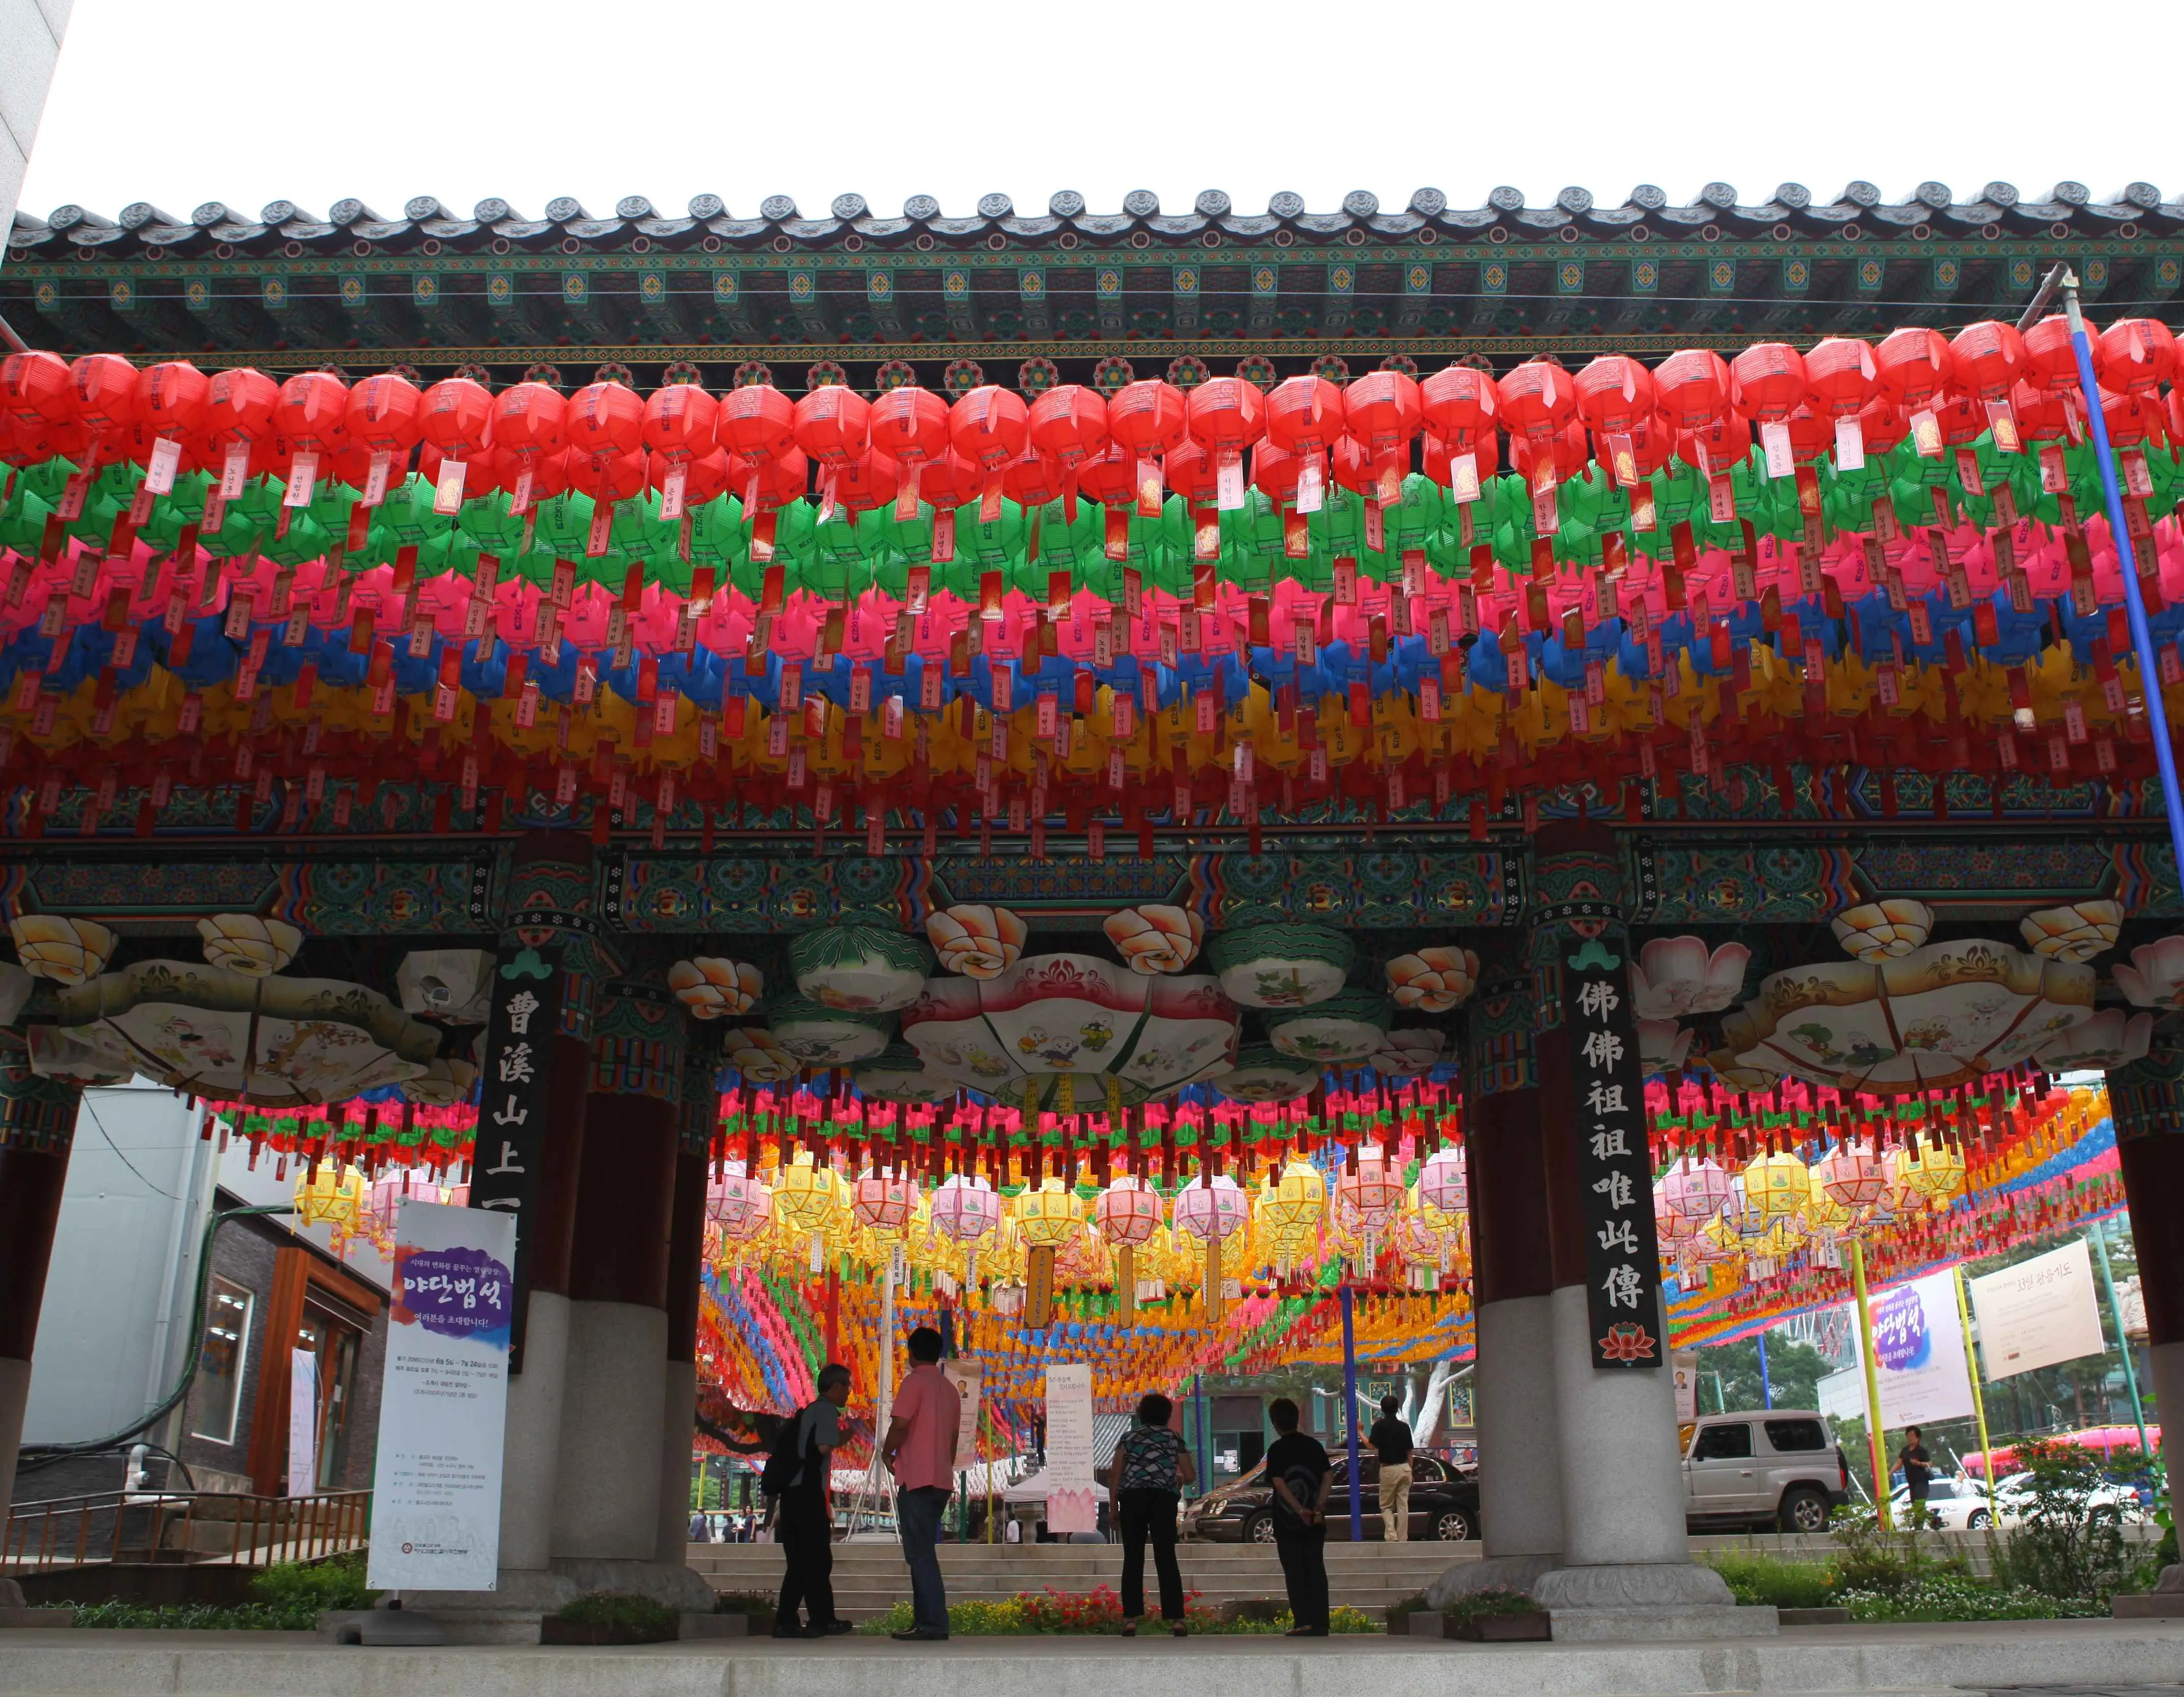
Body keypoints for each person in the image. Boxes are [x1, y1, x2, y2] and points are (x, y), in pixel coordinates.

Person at [880, 1325, 960, 1642]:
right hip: (940, 1477)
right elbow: (954, 1439)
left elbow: (900, 1423)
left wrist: (888, 1452)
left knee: (920, 1553)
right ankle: (925, 1621)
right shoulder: (950, 1389)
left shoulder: (913, 1383)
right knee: (922, 1550)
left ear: (911, 1354)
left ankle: (933, 1623)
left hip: (917, 1477)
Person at [1102, 1392, 1198, 1636]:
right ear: (1167, 1415)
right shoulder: (1174, 1438)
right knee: (1166, 1557)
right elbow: (1189, 1475)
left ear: (1141, 1414)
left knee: (1133, 1558)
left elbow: (1116, 1475)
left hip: (1132, 1499)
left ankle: (1131, 1619)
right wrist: (1173, 1480)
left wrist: (1114, 1508)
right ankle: (1177, 1619)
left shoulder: (1129, 1438)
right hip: (1163, 1500)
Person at [770, 1362, 853, 1639]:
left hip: (791, 1496)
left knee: (800, 1561)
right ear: (837, 1387)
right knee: (817, 1559)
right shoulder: (826, 1410)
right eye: (847, 1386)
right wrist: (846, 1436)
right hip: (807, 1494)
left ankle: (787, 1619)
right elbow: (824, 1446)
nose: (850, 1392)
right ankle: (821, 1619)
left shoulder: (807, 1412)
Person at [1263, 1397, 1331, 1636]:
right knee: (1315, 1568)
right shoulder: (1314, 1446)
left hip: (1287, 1520)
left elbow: (1279, 1483)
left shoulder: (1277, 1450)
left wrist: (1297, 1508)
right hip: (1316, 1519)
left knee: (1294, 1570)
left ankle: (1303, 1621)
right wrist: (1319, 1505)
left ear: (1275, 1423)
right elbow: (1328, 1476)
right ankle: (1321, 1622)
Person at [1368, 1393, 1414, 1542]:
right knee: (1403, 1506)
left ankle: (1392, 1536)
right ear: (1397, 1408)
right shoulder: (1405, 1427)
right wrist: (1411, 1471)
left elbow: (1370, 1446)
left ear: (1382, 1409)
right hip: (1405, 1469)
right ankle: (1403, 1538)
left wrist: (1360, 1432)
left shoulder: (1379, 1426)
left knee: (1386, 1506)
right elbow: (1409, 1452)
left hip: (1388, 1469)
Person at [1897, 1426, 1935, 1526]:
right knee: (1915, 1505)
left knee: (1919, 1504)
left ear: (1918, 1438)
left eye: (1912, 1435)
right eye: (1908, 1435)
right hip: (1912, 1482)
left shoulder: (1921, 1450)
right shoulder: (1905, 1450)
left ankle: (1919, 1527)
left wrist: (1918, 1463)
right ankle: (1934, 1519)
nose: (1909, 1438)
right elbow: (1899, 1463)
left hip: (1922, 1482)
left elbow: (1929, 1464)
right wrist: (1890, 1472)